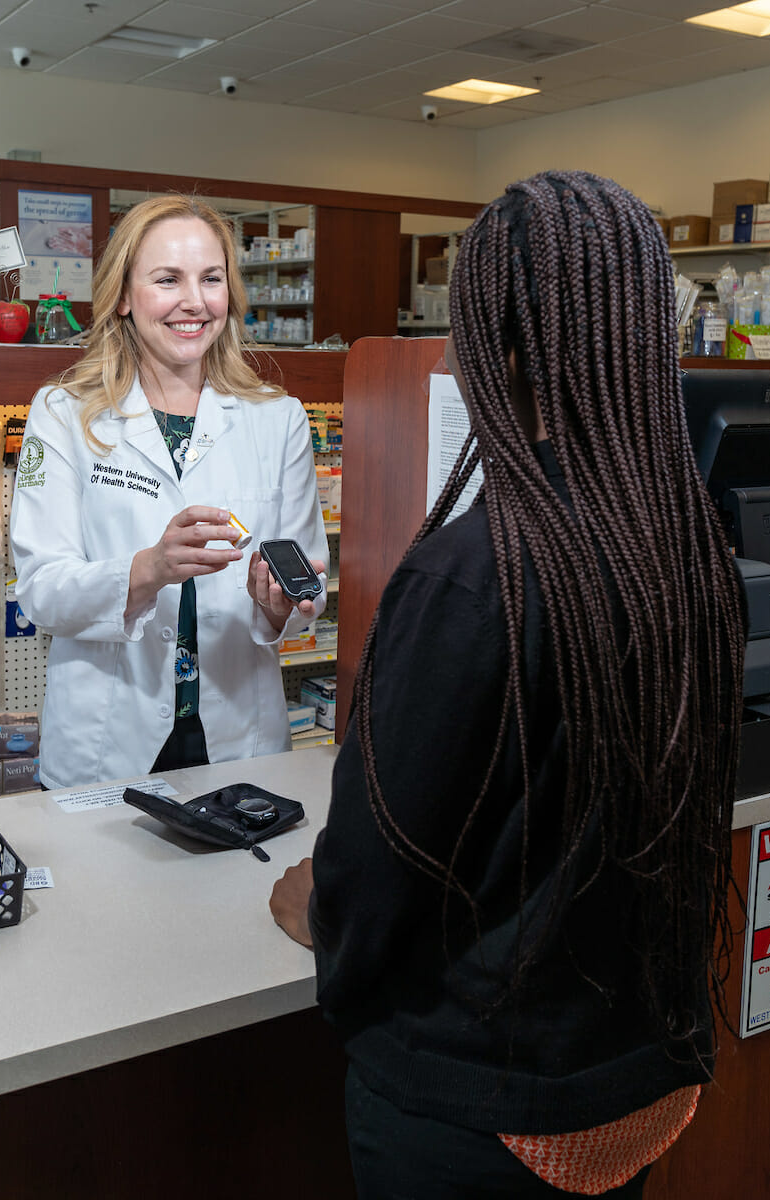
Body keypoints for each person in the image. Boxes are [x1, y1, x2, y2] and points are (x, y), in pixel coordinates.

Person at [269, 171, 744, 1198]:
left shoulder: (475, 575)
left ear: (506, 347)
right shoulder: (687, 553)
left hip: (480, 1107)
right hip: (623, 1078)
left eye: (464, 328)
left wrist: (318, 909)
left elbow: (382, 859)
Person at [11, 195, 328, 789]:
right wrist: (147, 570)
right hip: (106, 742)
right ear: (125, 296)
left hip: (241, 739)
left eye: (211, 278)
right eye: (167, 279)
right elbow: (40, 591)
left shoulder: (278, 419)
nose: (194, 301)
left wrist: (278, 604)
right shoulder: (64, 413)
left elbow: (305, 582)